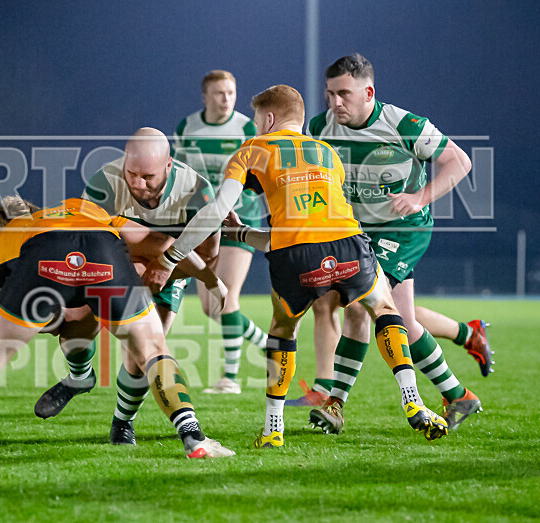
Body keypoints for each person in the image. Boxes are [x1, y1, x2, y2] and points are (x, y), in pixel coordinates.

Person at [143, 84, 449, 447]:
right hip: (349, 244)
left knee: (283, 330)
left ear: (269, 118)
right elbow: (310, 226)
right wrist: (243, 235)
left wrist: (173, 256)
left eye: (258, 120)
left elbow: (219, 212)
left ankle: (274, 428)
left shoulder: (252, 149)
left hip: (295, 259)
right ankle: (413, 401)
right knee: (383, 307)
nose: (256, 127)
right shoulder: (327, 153)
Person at [0, 197, 234, 463]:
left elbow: (12, 310)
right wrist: (211, 280)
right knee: (154, 353)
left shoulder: (3, 240)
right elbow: (156, 240)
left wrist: (57, 309)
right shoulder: (81, 208)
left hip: (44, 262)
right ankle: (194, 438)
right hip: (103, 254)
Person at [306, 54, 488, 432]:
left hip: (404, 230)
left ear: (368, 92)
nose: (335, 103)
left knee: (360, 304)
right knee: (401, 320)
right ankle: (458, 394)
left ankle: (335, 404)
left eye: (343, 94)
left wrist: (420, 197)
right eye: (329, 94)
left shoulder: (404, 124)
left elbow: (460, 162)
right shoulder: (320, 127)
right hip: (358, 232)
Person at [33, 127, 222, 445]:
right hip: (113, 261)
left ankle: (122, 422)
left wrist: (168, 267)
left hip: (171, 268)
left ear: (169, 165)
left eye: (147, 177)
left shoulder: (196, 191)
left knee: (142, 352)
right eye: (131, 173)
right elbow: (88, 240)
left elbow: (208, 253)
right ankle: (80, 377)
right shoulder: (105, 182)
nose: (137, 183)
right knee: (74, 327)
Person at [172, 70, 269, 394]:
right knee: (211, 307)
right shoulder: (188, 128)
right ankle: (270, 345)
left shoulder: (246, 127)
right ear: (205, 97)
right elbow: (180, 173)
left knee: (226, 297)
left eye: (231, 92)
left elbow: (259, 173)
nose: (226, 99)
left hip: (239, 221)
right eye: (219, 93)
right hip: (203, 222)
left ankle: (229, 378)